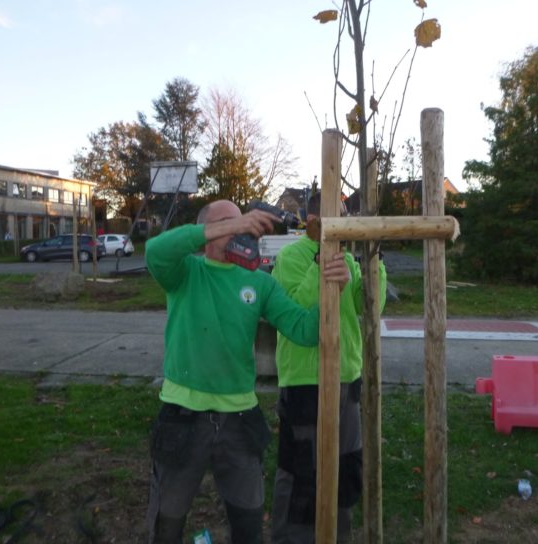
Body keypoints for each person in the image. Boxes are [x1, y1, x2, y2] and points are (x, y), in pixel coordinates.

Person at [144, 199, 350, 544]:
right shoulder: (185, 273)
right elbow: (156, 249)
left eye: (243, 223)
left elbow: (303, 329)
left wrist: (329, 284)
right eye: (228, 224)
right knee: (167, 524)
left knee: (249, 526)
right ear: (208, 233)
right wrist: (232, 225)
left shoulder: (259, 282)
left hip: (240, 420)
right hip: (182, 417)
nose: (242, 230)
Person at [270, 193, 387, 543]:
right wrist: (320, 269)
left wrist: (373, 265)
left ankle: (337, 533)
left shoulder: (351, 259)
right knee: (301, 470)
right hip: (306, 381)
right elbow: (294, 314)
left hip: (346, 378)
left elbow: (371, 307)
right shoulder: (290, 258)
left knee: (344, 465)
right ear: (311, 219)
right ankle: (292, 537)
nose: (343, 223)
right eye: (335, 216)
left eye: (347, 215)